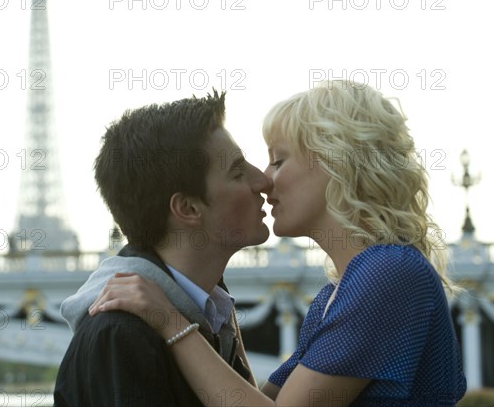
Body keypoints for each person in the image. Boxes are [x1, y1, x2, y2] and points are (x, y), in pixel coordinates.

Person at [91, 81, 467, 406]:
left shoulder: (388, 273)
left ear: (338, 166)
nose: (265, 180)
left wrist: (170, 321)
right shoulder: (338, 294)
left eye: (278, 161)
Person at [53, 91, 271, 406]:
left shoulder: (210, 309)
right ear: (188, 208)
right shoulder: (119, 335)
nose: (262, 180)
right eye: (238, 173)